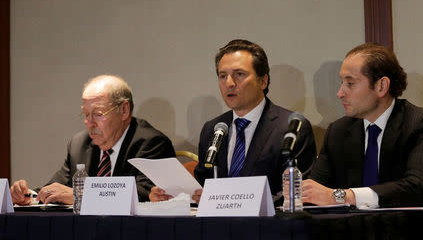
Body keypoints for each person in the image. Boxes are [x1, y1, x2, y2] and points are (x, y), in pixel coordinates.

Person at [150, 39, 316, 203]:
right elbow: (202, 186)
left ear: (263, 81)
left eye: (239, 74)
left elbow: (298, 191)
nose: (229, 83)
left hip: (269, 226)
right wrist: (175, 195)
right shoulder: (213, 129)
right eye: (223, 76)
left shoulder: (291, 127)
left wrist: (239, 203)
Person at [303, 43, 423, 209]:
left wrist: (343, 197)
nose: (340, 93)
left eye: (350, 83)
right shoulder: (338, 131)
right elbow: (316, 191)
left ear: (381, 86)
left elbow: (418, 186)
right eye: (341, 82)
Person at [10, 74, 175, 205]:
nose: (89, 123)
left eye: (98, 114)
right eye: (86, 114)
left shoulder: (151, 143)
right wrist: (29, 196)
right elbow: (58, 187)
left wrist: (80, 195)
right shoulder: (79, 144)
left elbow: (144, 194)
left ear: (124, 110)